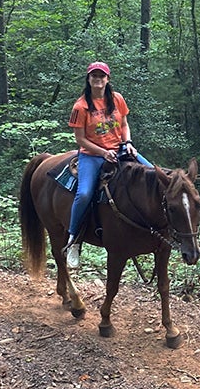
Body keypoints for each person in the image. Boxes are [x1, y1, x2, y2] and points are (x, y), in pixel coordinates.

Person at [65, 61, 153, 269]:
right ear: (88, 79)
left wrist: (128, 142)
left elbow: (124, 124)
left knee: (153, 175)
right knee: (84, 194)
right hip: (92, 155)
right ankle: (73, 239)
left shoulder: (117, 99)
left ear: (107, 79)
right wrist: (103, 152)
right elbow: (80, 139)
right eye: (94, 76)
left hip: (120, 150)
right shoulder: (80, 106)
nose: (98, 79)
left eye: (101, 76)